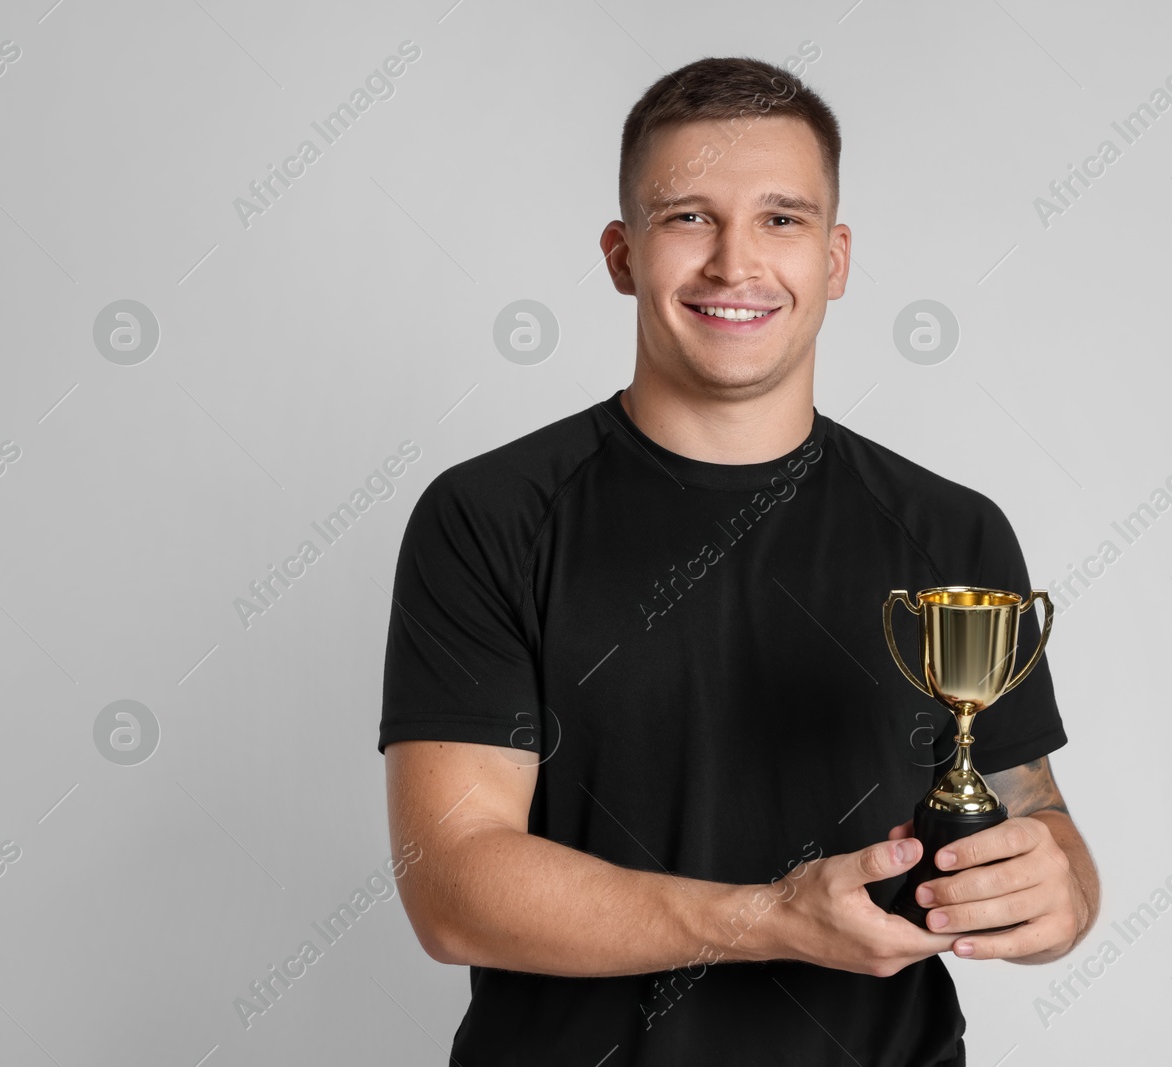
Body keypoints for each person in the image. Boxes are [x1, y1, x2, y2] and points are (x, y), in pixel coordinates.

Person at [379, 54, 1100, 1066]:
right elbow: (452, 884)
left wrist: (1055, 887)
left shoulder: (951, 530)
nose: (733, 263)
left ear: (835, 257)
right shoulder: (490, 515)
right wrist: (772, 916)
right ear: (621, 253)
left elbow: (1034, 811)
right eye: (686, 217)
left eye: (780, 218)